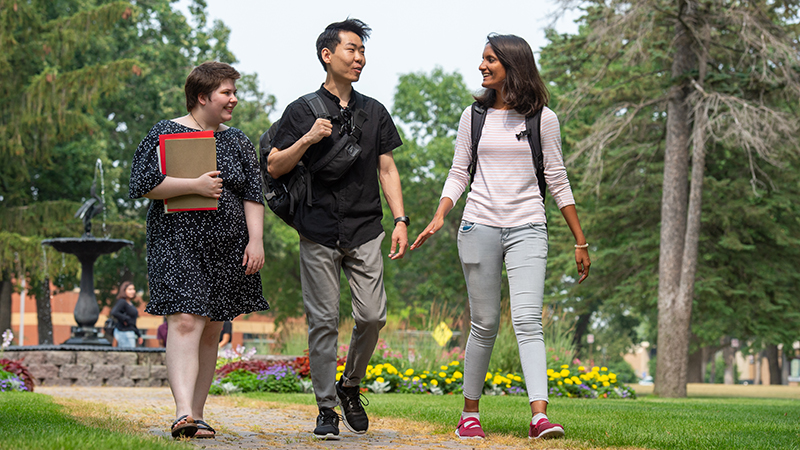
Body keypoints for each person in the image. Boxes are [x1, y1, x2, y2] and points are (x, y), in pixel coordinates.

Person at [411, 34, 591, 441]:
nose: (482, 66)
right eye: (482, 59)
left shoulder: (542, 118)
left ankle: (540, 416)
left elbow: (557, 179)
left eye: (490, 59)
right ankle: (469, 414)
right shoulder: (473, 116)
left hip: (528, 226)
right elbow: (460, 172)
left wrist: (579, 239)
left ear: (513, 64)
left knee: (528, 320)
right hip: (478, 226)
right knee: (485, 324)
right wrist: (441, 214)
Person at [266, 18, 407, 440]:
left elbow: (386, 166)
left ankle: (351, 383)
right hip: (318, 228)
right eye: (351, 49)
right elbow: (274, 165)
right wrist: (308, 139)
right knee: (323, 321)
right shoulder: (301, 110)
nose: (359, 57)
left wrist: (400, 219)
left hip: (366, 227)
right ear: (327, 55)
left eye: (362, 51)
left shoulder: (374, 111)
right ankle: (326, 409)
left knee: (372, 316)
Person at [129, 61, 269, 439]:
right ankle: (182, 412)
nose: (233, 100)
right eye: (226, 93)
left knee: (212, 329)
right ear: (202, 96)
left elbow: (252, 195)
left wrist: (255, 241)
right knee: (186, 320)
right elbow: (142, 183)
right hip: (176, 242)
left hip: (228, 248)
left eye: (234, 92)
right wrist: (193, 184)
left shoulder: (238, 140)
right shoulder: (164, 132)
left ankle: (199, 414)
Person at [110, 281, 142, 348]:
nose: (132, 291)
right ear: (124, 291)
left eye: (133, 289)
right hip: (124, 333)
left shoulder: (130, 303)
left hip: (130, 333)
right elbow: (114, 312)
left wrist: (138, 335)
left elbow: (132, 322)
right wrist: (125, 318)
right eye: (130, 289)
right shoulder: (122, 301)